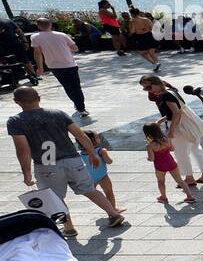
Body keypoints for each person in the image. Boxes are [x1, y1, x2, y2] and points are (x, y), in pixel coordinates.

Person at [7, 87, 126, 236]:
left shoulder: (16, 121)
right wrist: (92, 154)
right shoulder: (58, 114)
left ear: (16, 102)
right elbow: (81, 135)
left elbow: (23, 150)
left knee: (55, 198)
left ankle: (69, 227)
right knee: (89, 189)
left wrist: (26, 173)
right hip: (72, 158)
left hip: (47, 163)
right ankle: (113, 214)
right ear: (39, 97)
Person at [139, 75, 203, 188]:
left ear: (155, 83)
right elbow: (177, 110)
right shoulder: (171, 90)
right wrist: (162, 120)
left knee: (181, 152)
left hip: (180, 127)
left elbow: (176, 113)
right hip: (190, 123)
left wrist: (171, 131)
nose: (149, 91)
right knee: (196, 148)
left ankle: (189, 178)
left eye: (148, 88)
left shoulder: (166, 95)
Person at [28, 17, 88, 119]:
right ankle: (81, 107)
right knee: (76, 87)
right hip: (70, 64)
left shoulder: (35, 37)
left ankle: (78, 105)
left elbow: (37, 53)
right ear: (50, 25)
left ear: (38, 26)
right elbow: (75, 48)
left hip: (54, 66)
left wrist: (40, 68)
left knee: (67, 86)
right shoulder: (62, 35)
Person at [143, 121, 197, 205]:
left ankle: (163, 197)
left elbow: (152, 158)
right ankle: (190, 197)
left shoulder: (149, 145)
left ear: (147, 133)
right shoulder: (167, 139)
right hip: (171, 163)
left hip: (160, 166)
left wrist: (148, 158)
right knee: (180, 180)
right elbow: (172, 149)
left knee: (161, 181)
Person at [79, 129, 117, 211]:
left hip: (90, 178)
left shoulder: (79, 153)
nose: (99, 139)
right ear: (91, 140)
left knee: (95, 195)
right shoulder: (100, 151)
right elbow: (109, 162)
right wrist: (105, 153)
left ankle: (107, 208)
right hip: (103, 176)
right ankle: (113, 210)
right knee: (109, 193)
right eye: (97, 137)